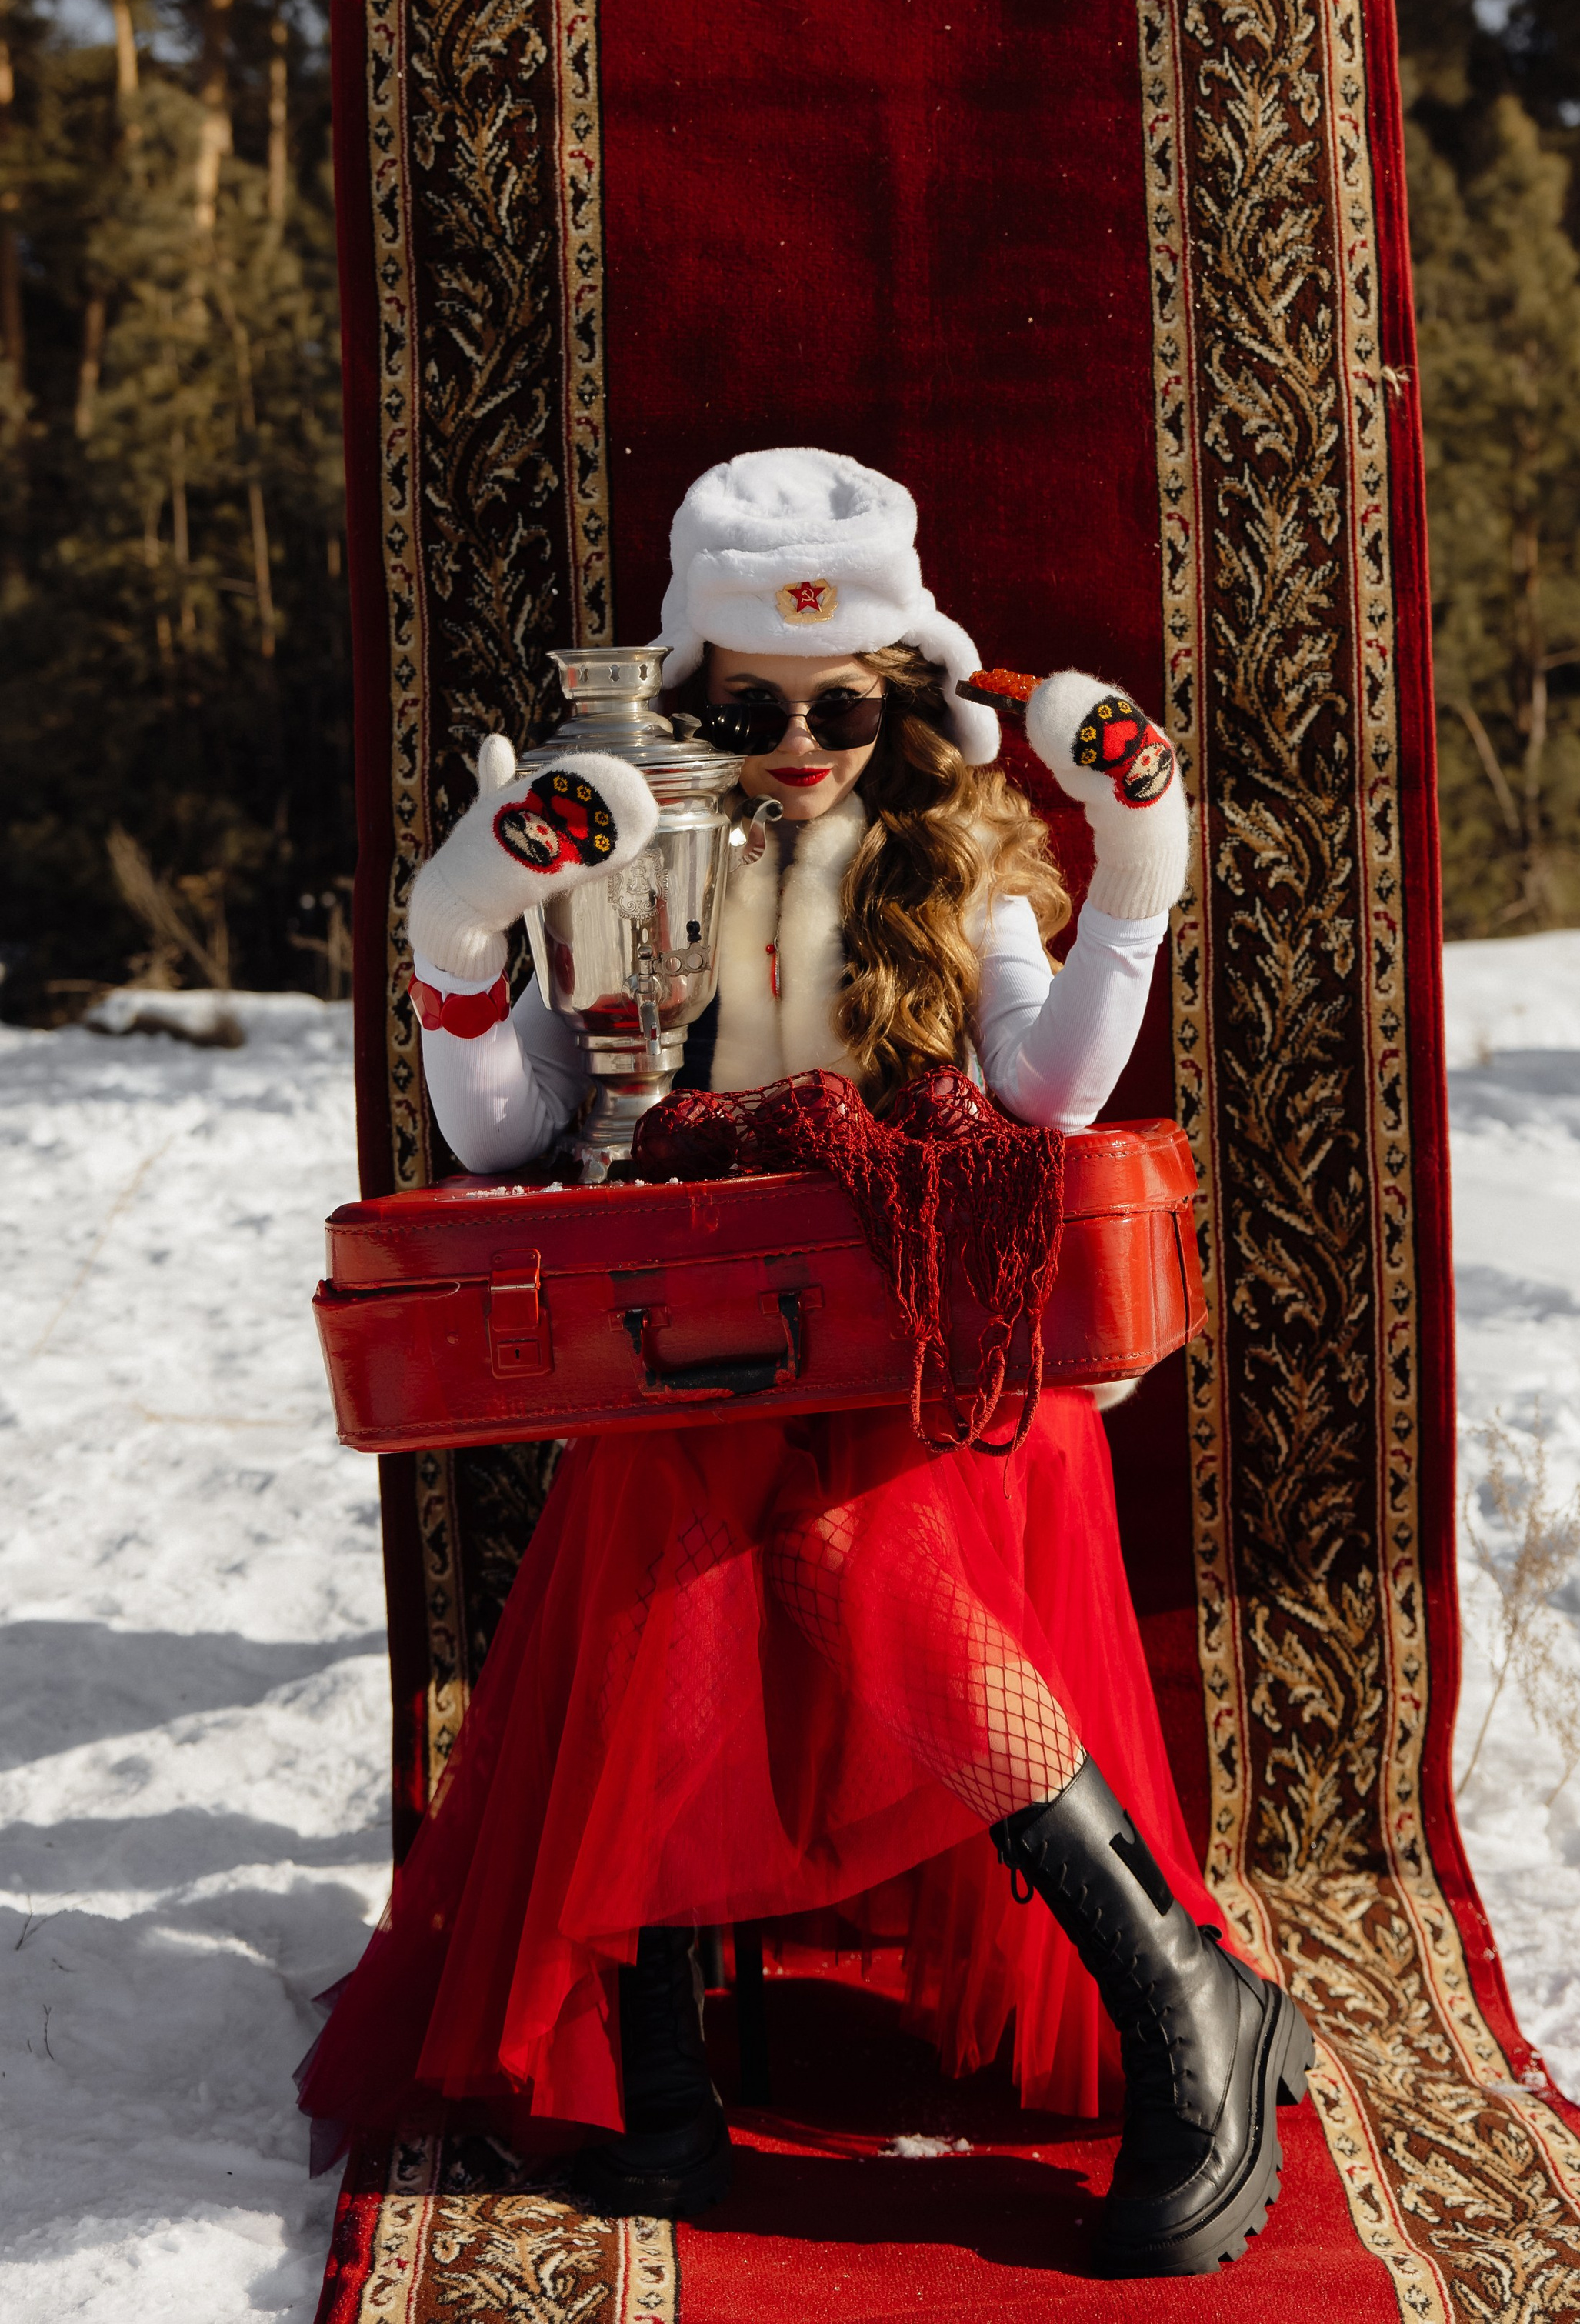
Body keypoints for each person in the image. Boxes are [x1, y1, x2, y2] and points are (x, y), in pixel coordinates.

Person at [301, 448, 1309, 2279]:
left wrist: (1133, 876)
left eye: (845, 703)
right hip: (695, 1334)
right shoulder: (629, 840)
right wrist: (465, 945)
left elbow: (1046, 1095)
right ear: (685, 692)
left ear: (903, 690)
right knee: (669, 1486)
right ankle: (665, 2052)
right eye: (754, 705)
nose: (802, 741)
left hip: (921, 1337)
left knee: (804, 1534)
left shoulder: (945, 849)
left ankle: (1167, 1980)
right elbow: (512, 1135)